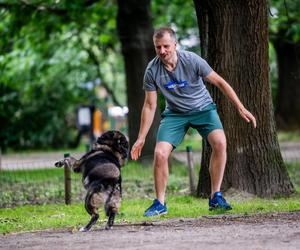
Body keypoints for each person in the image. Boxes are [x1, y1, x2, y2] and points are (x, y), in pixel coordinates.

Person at [131, 27, 256, 217]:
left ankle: (216, 197)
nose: (162, 51)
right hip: (175, 114)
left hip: (203, 109)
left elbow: (220, 82)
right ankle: (160, 203)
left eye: (166, 46)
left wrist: (240, 107)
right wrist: (141, 137)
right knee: (160, 153)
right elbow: (150, 105)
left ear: (175, 44)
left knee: (220, 143)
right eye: (158, 47)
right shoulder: (152, 70)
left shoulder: (192, 60)